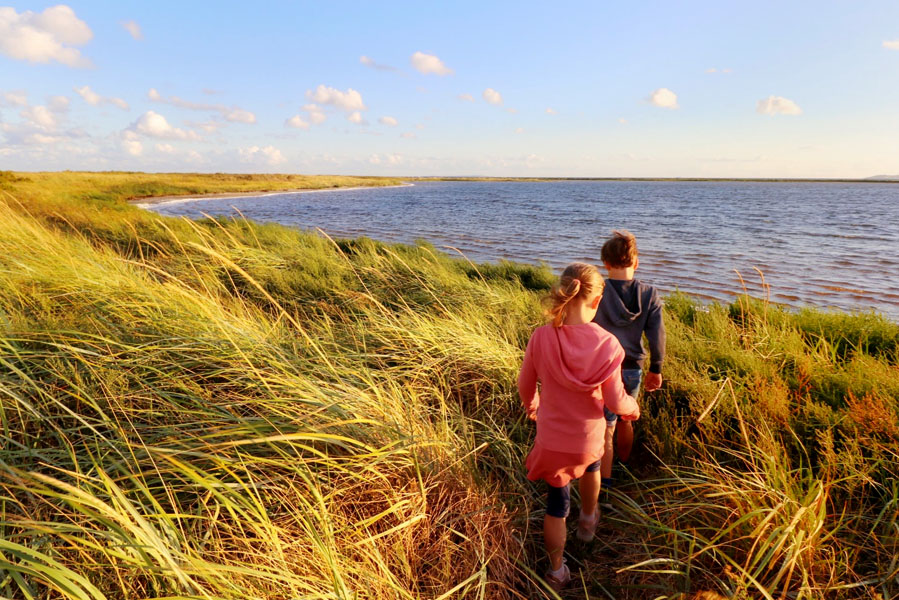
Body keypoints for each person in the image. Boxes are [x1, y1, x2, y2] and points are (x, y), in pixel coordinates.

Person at [518, 262, 640, 590]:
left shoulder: (541, 337)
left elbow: (525, 384)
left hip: (552, 440)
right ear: (597, 301)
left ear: (563, 291)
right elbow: (616, 402)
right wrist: (632, 409)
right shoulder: (608, 345)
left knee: (556, 506)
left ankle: (556, 570)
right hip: (589, 439)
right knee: (593, 467)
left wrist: (533, 408)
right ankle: (588, 522)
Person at [593, 230, 665, 489]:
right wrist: (656, 368)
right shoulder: (649, 293)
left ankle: (606, 481)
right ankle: (622, 463)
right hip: (633, 368)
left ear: (606, 264)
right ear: (636, 263)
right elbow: (657, 335)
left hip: (602, 370)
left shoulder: (597, 292)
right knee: (627, 417)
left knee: (606, 424)